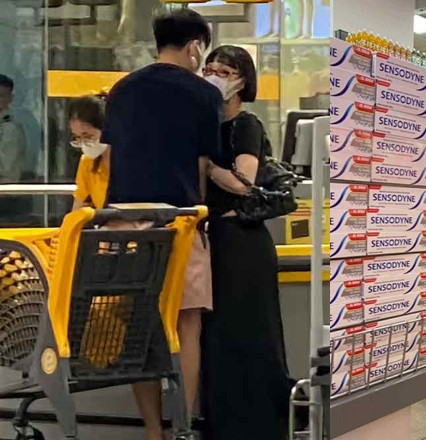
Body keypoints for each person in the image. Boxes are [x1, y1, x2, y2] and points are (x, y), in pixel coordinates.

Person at [100, 10, 222, 440]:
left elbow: (110, 158)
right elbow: (202, 165)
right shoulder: (204, 93)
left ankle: (153, 431)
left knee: (137, 328)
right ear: (194, 47)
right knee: (187, 325)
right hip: (179, 223)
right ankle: (183, 426)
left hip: (122, 223)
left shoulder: (122, 89)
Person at [201, 45, 291, 440]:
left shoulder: (246, 125)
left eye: (224, 71)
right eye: (209, 69)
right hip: (212, 239)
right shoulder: (203, 123)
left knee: (249, 337)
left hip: (242, 244)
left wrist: (207, 166)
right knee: (217, 339)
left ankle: (259, 427)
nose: (214, 77)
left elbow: (243, 183)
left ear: (241, 81)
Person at [68, 96, 109, 210]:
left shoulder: (129, 162)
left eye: (88, 136)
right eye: (77, 138)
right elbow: (78, 207)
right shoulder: (87, 162)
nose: (83, 144)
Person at [0, 74, 27, 184]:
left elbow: (6, 168)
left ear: (10, 98)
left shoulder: (10, 128)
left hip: (6, 188)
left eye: (2, 95)